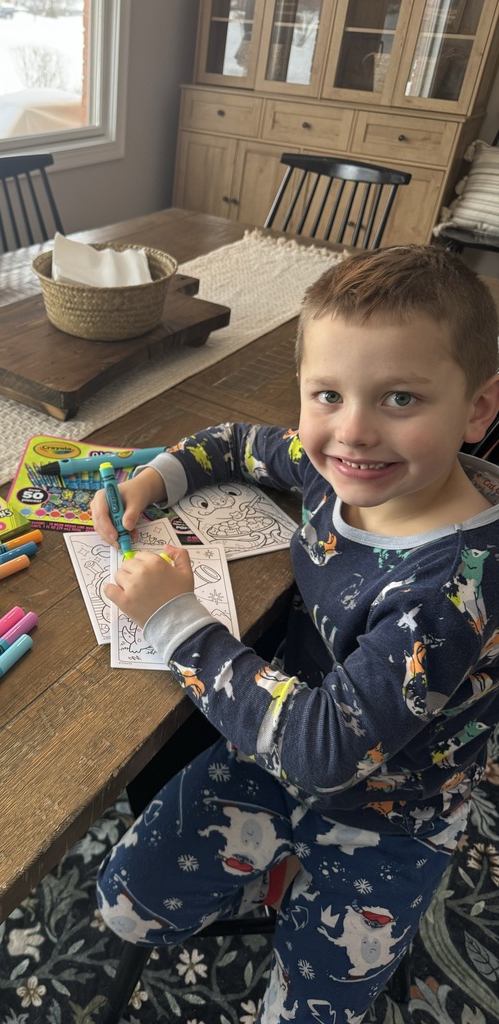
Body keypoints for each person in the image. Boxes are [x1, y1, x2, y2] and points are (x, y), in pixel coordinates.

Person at [90, 244, 499, 1022]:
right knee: (126, 908)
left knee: (312, 1011)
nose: (353, 432)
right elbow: (234, 441)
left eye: (400, 399)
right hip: (282, 737)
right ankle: (266, 866)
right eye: (326, 394)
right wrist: (156, 476)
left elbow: (322, 754)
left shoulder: (450, 592)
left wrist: (178, 621)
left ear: (478, 409)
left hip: (393, 811)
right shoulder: (334, 465)